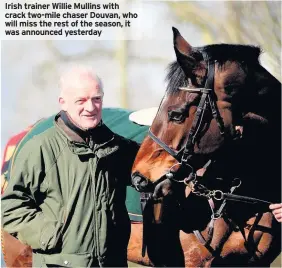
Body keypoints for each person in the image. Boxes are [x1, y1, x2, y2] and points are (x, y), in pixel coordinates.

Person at [1, 66, 139, 267]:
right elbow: (10, 207)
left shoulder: (119, 147)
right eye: (81, 100)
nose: (91, 107)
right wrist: (52, 235)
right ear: (63, 102)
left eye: (96, 99)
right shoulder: (40, 148)